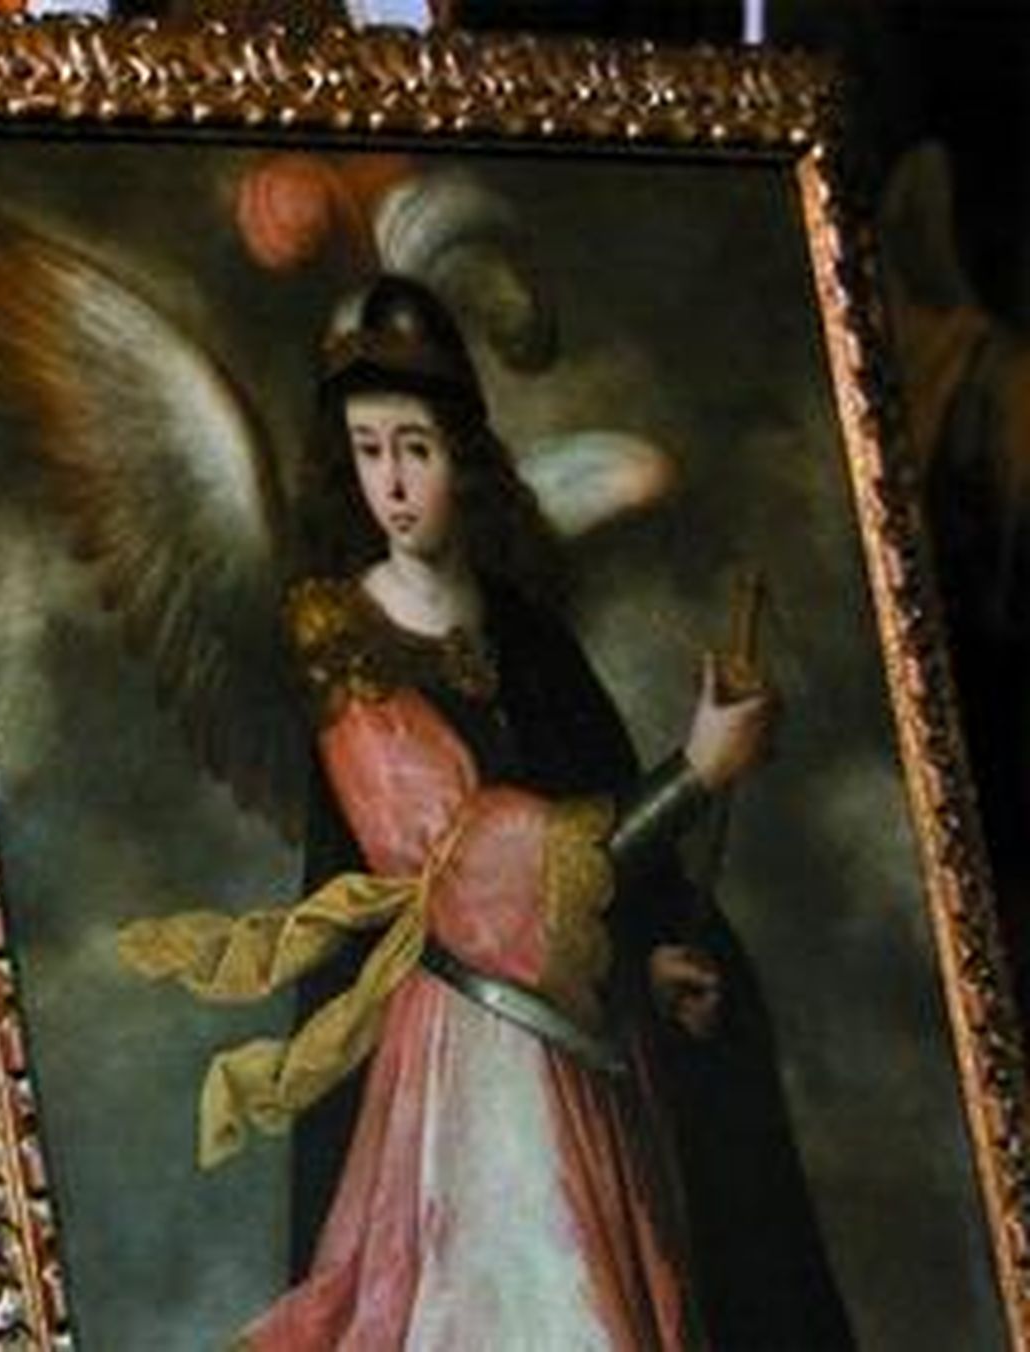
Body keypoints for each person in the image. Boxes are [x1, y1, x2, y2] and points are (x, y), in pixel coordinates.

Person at [121, 276, 849, 1349]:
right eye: (368, 450)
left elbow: (599, 863)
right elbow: (479, 878)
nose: (392, 483)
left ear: (464, 453)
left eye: (414, 448)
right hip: (469, 1079)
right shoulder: (344, 646)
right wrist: (694, 772)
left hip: (592, 1058)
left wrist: (646, 960)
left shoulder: (526, 632)